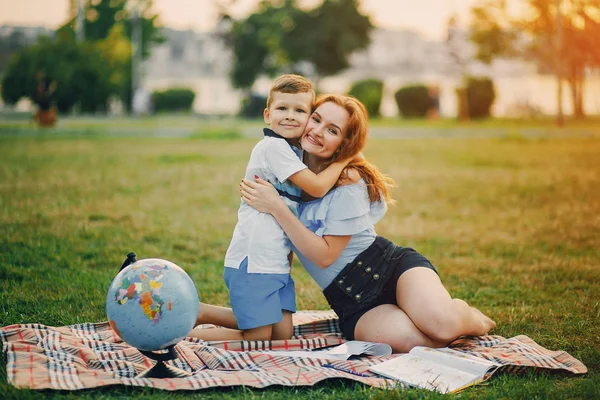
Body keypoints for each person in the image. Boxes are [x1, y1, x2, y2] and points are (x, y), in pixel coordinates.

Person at [237, 94, 496, 353]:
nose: (317, 131)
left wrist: (277, 207)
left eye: (332, 130)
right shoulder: (286, 171)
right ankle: (415, 312)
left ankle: (471, 317)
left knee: (443, 327)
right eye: (315, 119)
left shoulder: (348, 180)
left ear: (343, 144)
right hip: (352, 300)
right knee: (415, 342)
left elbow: (325, 256)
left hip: (390, 269)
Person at [189, 75, 351, 342]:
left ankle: (203, 312)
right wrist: (345, 159)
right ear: (267, 115)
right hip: (254, 260)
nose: (290, 116)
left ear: (309, 117)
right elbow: (317, 187)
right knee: (258, 338)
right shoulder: (273, 148)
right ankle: (186, 336)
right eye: (282, 109)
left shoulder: (293, 151)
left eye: (300, 110)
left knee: (282, 335)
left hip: (275, 261)